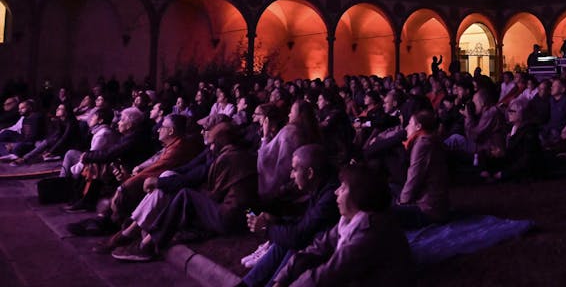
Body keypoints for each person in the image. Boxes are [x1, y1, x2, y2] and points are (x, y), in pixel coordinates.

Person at [111, 122, 258, 262]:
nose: (211, 148)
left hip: (230, 219)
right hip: (244, 215)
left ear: (222, 142)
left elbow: (216, 194)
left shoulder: (227, 159)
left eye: (213, 143)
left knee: (185, 195)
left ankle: (148, 246)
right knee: (183, 193)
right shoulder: (242, 155)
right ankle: (146, 237)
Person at [270, 165, 414, 287]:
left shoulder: (370, 231)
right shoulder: (349, 221)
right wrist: (281, 278)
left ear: (359, 195)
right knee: (301, 262)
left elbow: (329, 273)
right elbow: (318, 247)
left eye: (343, 188)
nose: (336, 191)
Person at [238, 145, 340, 287]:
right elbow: (303, 225)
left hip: (326, 257)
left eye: (294, 170)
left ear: (310, 173)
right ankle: (246, 284)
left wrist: (266, 228)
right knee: (285, 240)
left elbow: (299, 237)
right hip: (310, 244)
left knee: (292, 245)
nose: (291, 175)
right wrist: (275, 221)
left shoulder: (330, 196)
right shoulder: (321, 185)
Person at [395, 109, 450, 227]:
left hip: (427, 209)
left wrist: (402, 202)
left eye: (410, 123)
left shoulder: (423, 144)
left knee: (382, 214)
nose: (407, 127)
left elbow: (414, 177)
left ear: (418, 126)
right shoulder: (431, 139)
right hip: (434, 204)